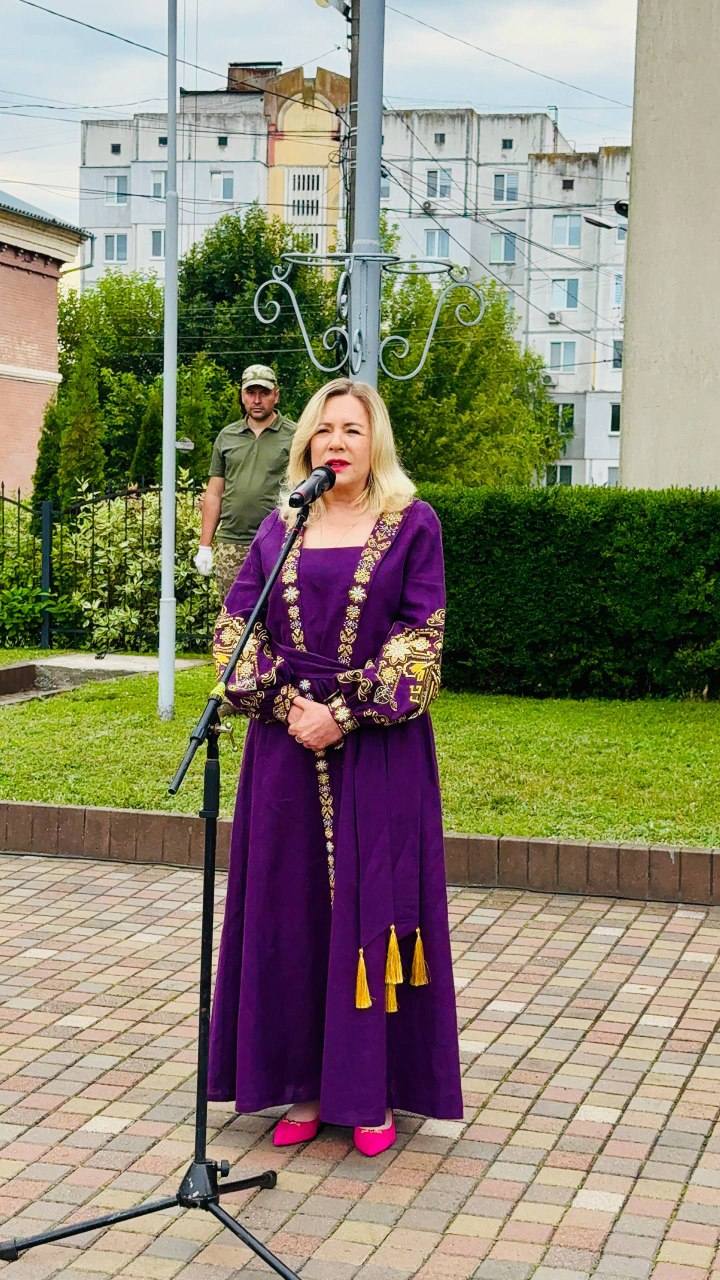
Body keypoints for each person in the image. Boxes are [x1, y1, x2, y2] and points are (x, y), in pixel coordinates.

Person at [208, 377, 462, 1157]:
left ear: (374, 440)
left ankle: (371, 1090)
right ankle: (304, 1087)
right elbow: (234, 631)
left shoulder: (412, 523)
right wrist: (292, 708)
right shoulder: (281, 525)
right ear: (306, 444)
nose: (338, 443)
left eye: (352, 429)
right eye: (325, 430)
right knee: (291, 913)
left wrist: (342, 712)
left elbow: (421, 642)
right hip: (285, 752)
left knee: (371, 908)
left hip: (380, 752)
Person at [194, 364, 296, 600]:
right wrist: (205, 546)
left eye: (264, 393)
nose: (257, 400)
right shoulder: (227, 436)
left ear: (276, 395)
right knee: (234, 614)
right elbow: (214, 493)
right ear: (242, 395)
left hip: (279, 541)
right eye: (251, 393)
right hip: (232, 543)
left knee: (279, 613)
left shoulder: (295, 436)